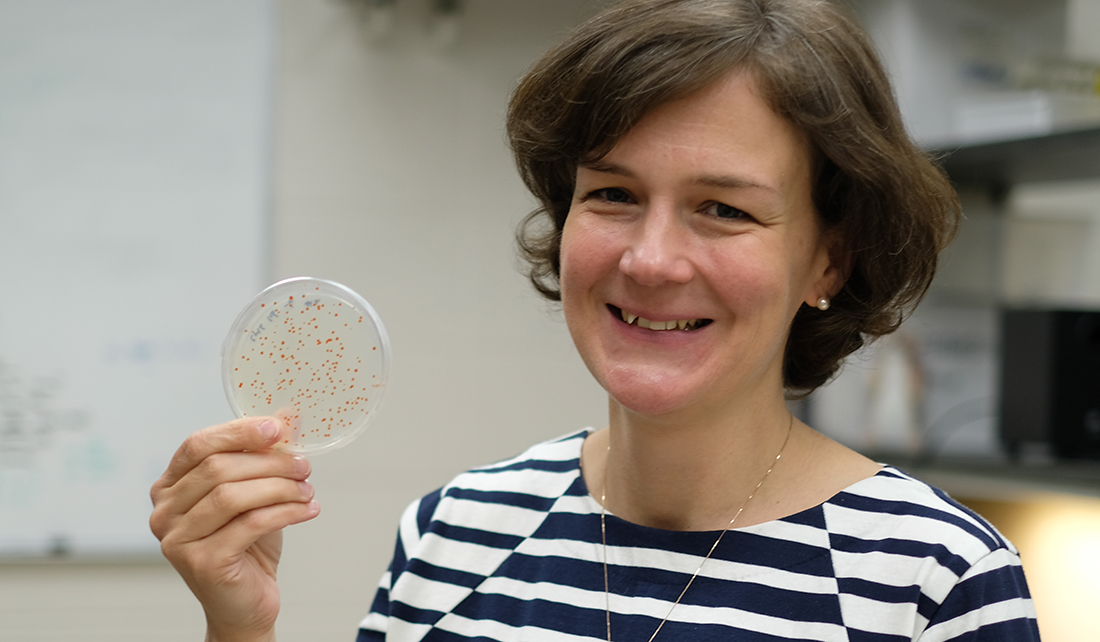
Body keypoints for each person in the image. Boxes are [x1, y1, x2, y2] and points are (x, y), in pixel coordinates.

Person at [150, 0, 1041, 640]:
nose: (650, 260)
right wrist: (240, 627)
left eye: (723, 209)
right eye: (613, 194)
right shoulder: (456, 531)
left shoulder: (935, 584)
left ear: (828, 260)